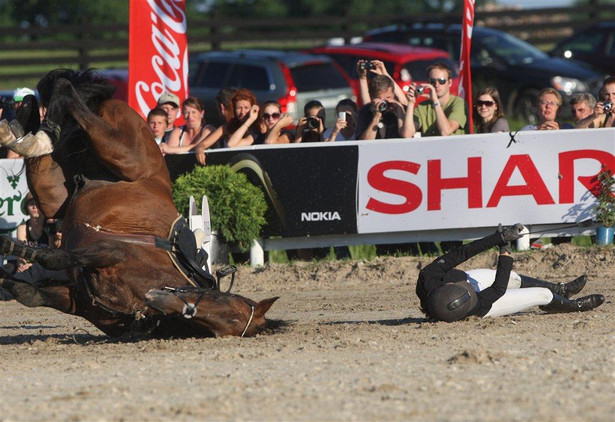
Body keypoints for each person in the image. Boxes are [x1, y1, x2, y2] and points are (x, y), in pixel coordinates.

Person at [417, 223, 605, 322]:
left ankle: (561, 289)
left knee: (514, 278)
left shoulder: (428, 276)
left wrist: (498, 238)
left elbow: (462, 253)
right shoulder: (472, 307)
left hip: (460, 290)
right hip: (486, 304)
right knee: (543, 294)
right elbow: (498, 289)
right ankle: (572, 305)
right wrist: (505, 253)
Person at [402, 62, 468, 138]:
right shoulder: (422, 107)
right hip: (430, 149)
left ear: (449, 83)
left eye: (441, 81)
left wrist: (436, 102)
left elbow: (445, 131)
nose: (436, 85)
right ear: (428, 83)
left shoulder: (459, 103)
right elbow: (407, 134)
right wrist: (410, 103)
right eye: (432, 81)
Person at [195, 89, 259, 159]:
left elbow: (231, 144)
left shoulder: (257, 128)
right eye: (239, 108)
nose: (242, 112)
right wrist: (200, 149)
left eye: (246, 108)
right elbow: (203, 144)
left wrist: (250, 120)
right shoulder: (228, 126)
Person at [357, 75, 406, 140]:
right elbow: (364, 143)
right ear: (371, 97)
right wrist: (376, 117)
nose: (384, 102)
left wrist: (400, 111)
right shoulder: (365, 112)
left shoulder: (402, 110)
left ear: (393, 94)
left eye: (388, 97)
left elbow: (406, 136)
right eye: (379, 98)